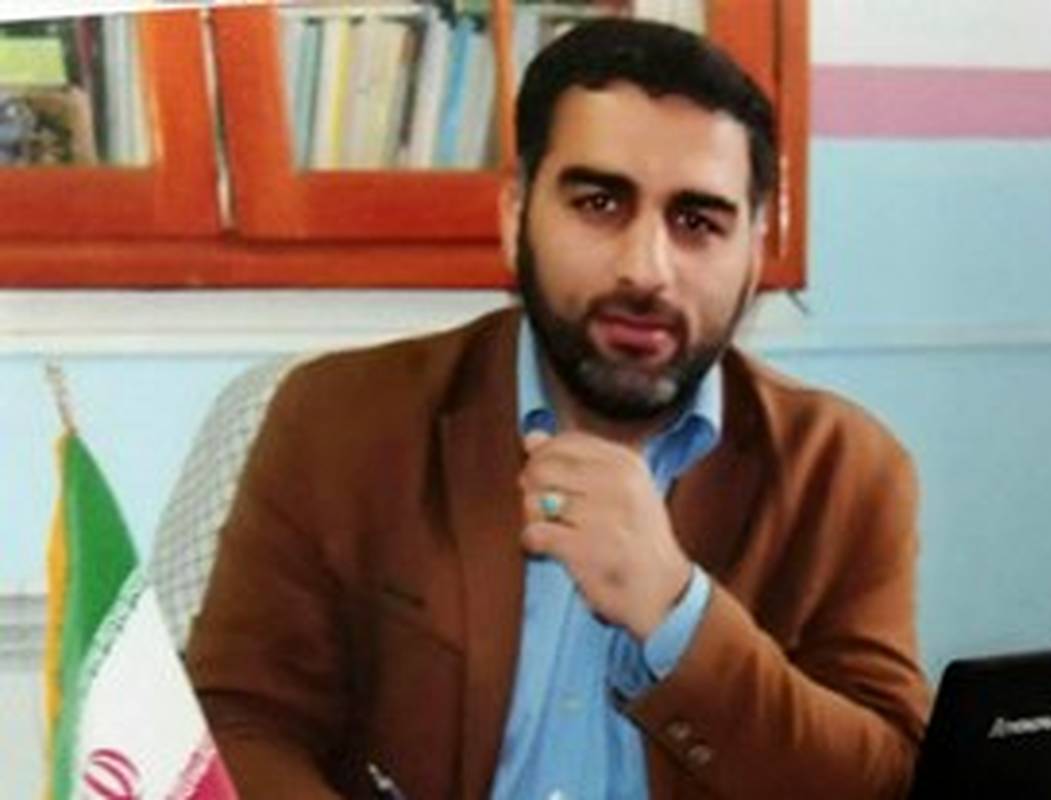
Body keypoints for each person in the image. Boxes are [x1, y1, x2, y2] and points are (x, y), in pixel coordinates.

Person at [186, 18, 928, 800]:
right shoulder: (340, 419)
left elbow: (886, 779)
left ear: (755, 249)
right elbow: (238, 719)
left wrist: (678, 612)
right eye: (600, 203)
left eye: (697, 222)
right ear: (516, 217)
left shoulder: (844, 469)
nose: (646, 269)